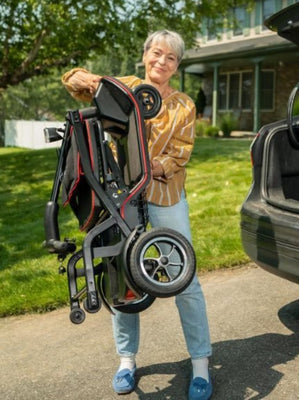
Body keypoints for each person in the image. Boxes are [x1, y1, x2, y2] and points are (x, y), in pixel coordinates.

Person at [61, 30, 213, 400]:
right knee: (122, 277)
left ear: (177, 66)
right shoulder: (125, 87)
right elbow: (75, 82)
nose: (162, 62)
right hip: (122, 201)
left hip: (166, 195)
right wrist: (86, 80)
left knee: (184, 279)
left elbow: (181, 153)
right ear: (145, 55)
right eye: (156, 54)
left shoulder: (184, 105)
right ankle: (127, 362)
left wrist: (149, 169)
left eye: (171, 58)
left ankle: (201, 366)